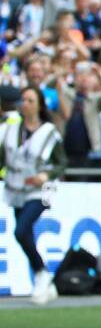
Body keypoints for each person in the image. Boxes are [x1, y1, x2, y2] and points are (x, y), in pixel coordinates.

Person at [1, 85, 65, 303]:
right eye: (23, 101)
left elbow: (61, 162)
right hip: (15, 187)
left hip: (39, 190)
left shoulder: (49, 132)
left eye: (30, 100)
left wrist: (46, 175)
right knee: (25, 234)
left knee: (21, 231)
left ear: (38, 104)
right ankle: (45, 278)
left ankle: (41, 275)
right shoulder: (11, 129)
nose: (25, 105)